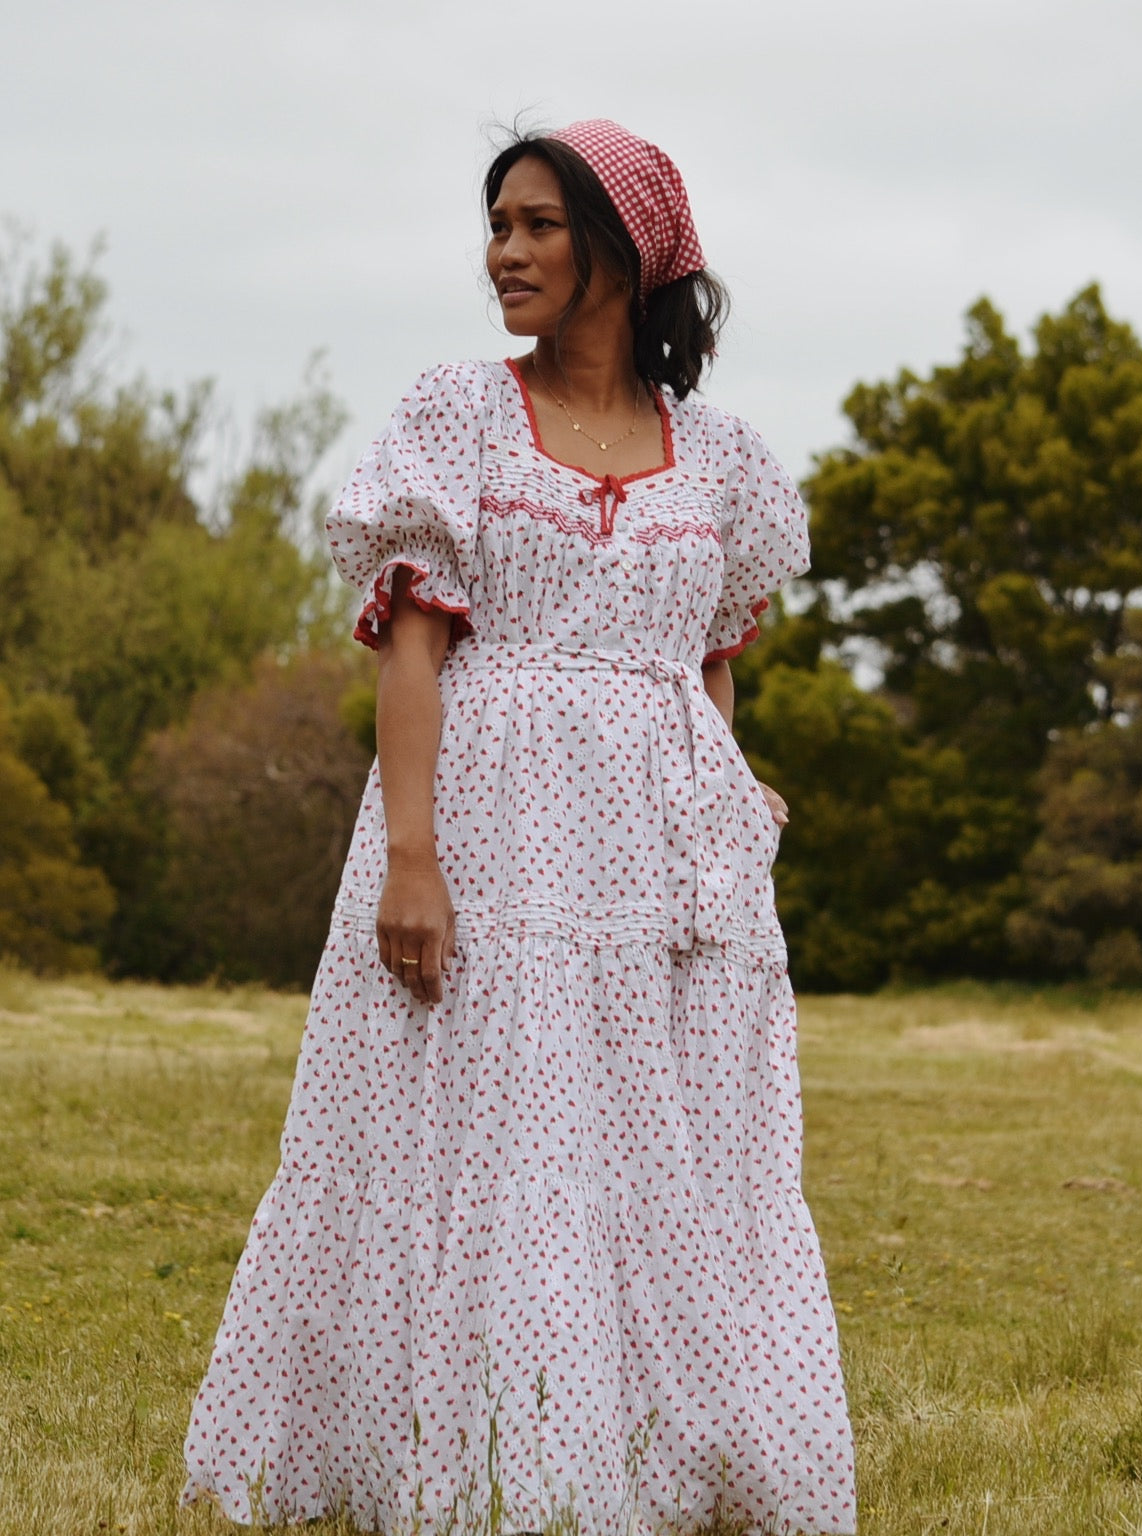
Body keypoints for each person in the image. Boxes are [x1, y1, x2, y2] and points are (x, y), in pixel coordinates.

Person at [183, 119, 856, 1536]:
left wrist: (728, 797)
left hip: (668, 860)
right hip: (496, 835)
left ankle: (669, 1467)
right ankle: (478, 1466)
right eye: (498, 224)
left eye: (541, 224)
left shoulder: (722, 459)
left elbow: (708, 659)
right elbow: (414, 648)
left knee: (672, 1149)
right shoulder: (460, 415)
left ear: (626, 248)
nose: (507, 251)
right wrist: (412, 858)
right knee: (494, 1144)